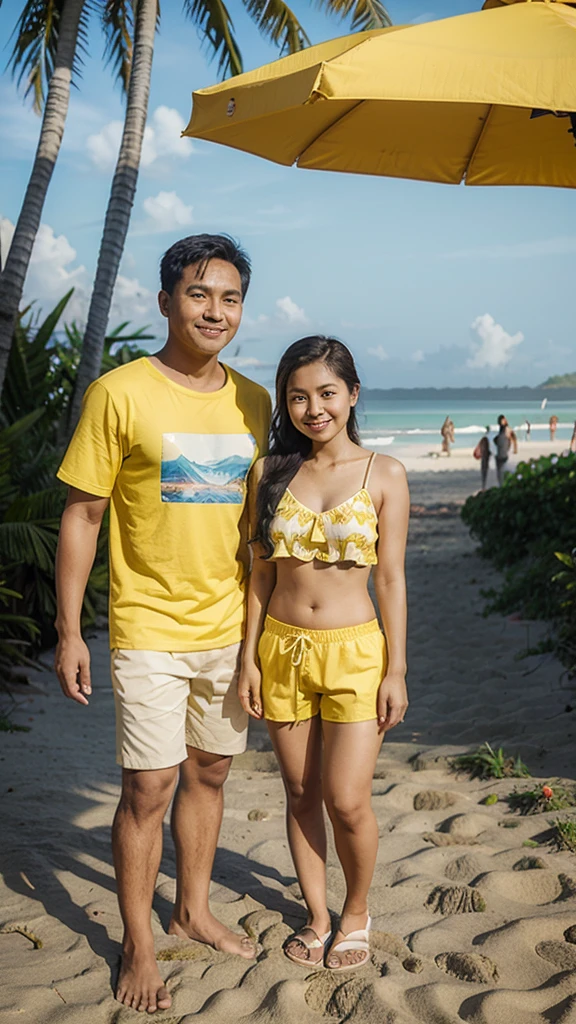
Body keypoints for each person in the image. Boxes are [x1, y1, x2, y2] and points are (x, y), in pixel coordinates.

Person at [54, 234, 271, 1014]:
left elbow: (257, 523)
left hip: (227, 626)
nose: (215, 310)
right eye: (199, 294)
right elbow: (82, 514)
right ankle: (138, 941)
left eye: (230, 297)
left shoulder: (255, 399)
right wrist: (71, 629)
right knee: (149, 785)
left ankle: (193, 908)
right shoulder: (118, 393)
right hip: (146, 624)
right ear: (165, 302)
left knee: (210, 772)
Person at [238, 337, 409, 973]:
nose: (314, 409)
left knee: (346, 799)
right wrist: (248, 659)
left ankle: (356, 912)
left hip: (357, 652)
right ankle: (316, 914)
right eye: (299, 396)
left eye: (327, 394)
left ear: (352, 394)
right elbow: (260, 575)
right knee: (300, 791)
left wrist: (396, 669)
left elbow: (390, 579)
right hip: (281, 647)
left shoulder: (384, 473)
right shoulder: (269, 472)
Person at [494, 414, 512, 486]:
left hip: (503, 453)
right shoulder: (501, 430)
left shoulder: (506, 429)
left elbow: (510, 439)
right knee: (500, 472)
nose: (504, 421)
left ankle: (502, 485)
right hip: (500, 453)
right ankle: (501, 485)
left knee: (502, 471)